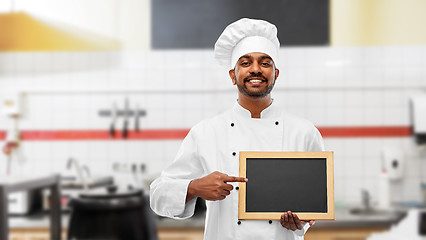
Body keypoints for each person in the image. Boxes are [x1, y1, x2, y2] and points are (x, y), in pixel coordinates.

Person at [150, 18, 324, 240]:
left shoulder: (304, 133)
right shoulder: (206, 132)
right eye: (245, 62)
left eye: (265, 62)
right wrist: (194, 187)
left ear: (276, 74)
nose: (255, 69)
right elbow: (157, 195)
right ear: (233, 76)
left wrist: (300, 222)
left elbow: (312, 203)